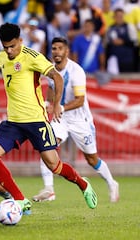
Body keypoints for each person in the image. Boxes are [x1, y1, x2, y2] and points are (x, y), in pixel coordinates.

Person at [0, 23, 98, 213]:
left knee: (55, 166)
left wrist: (57, 104)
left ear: (20, 40)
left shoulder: (32, 57)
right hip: (13, 122)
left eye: (13, 46)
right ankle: (20, 199)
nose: (10, 51)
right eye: (6, 47)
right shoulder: (3, 56)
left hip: (36, 121)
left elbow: (57, 78)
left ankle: (82, 184)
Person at [32, 37, 119, 203]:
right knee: (46, 146)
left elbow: (80, 100)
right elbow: (51, 88)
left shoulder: (76, 71)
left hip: (80, 120)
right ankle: (49, 189)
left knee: (92, 159)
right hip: (61, 118)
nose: (56, 52)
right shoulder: (50, 70)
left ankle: (112, 183)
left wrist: (60, 107)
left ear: (67, 51)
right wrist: (49, 104)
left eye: (59, 48)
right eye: (54, 48)